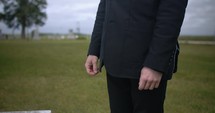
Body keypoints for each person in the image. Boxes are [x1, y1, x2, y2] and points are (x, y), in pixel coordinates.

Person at [85, 0, 188, 113]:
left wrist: (155, 63)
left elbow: (171, 13)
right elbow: (104, 8)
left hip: (146, 62)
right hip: (113, 61)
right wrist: (94, 49)